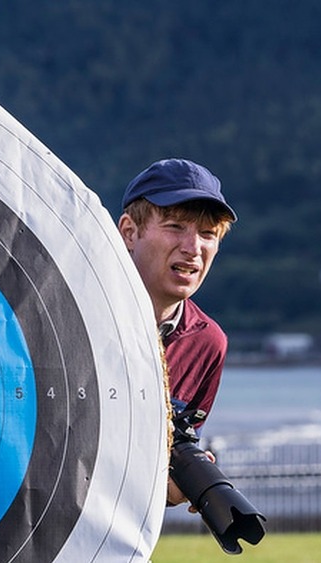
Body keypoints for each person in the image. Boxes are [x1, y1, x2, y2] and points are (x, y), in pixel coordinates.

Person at [116, 158, 237, 508]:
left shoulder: (208, 343)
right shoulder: (72, 310)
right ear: (129, 232)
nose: (193, 246)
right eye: (175, 227)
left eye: (208, 234)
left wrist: (174, 484)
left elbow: (178, 444)